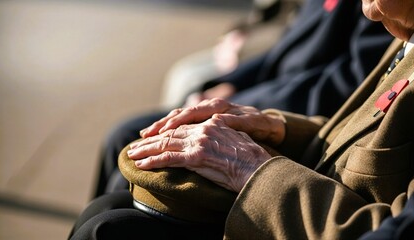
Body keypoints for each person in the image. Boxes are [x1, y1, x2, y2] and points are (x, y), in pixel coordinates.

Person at [70, 0, 414, 238]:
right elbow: (354, 134)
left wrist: (251, 168)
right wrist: (274, 127)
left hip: (295, 217)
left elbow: (397, 228)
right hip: (302, 201)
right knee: (108, 207)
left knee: (109, 229)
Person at [93, 0, 393, 197]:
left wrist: (239, 108)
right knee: (125, 137)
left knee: (134, 158)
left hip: (296, 115)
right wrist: (229, 85)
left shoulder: (382, 9)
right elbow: (282, 52)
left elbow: (342, 86)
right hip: (271, 96)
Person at [161, 0, 302, 108]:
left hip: (269, 56)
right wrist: (235, 34)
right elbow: (266, 13)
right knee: (184, 72)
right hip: (258, 47)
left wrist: (232, 81)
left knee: (194, 79)